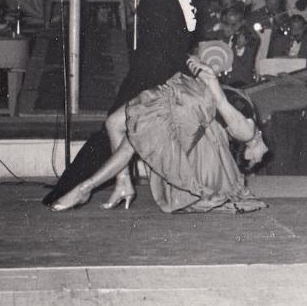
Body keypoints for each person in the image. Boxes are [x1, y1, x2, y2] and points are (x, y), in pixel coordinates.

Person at [43, 0, 208, 206]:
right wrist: (190, 73)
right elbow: (163, 48)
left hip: (158, 74)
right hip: (153, 78)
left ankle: (116, 185)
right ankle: (84, 187)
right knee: (119, 131)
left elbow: (174, 45)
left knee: (115, 128)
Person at [52, 57, 268, 213]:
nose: (252, 162)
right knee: (114, 124)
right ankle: (123, 182)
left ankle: (84, 188)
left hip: (189, 103)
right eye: (253, 162)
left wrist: (210, 80)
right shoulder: (249, 132)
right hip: (187, 96)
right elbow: (221, 101)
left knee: (132, 140)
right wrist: (209, 78)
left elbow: (220, 101)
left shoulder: (247, 131)